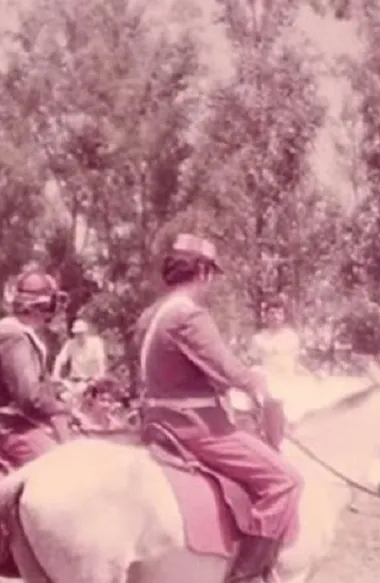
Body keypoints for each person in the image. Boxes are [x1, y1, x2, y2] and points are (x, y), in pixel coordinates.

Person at [135, 233, 300, 583]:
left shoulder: (152, 314)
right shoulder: (189, 315)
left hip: (157, 419)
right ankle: (245, 576)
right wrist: (257, 383)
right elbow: (227, 369)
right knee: (284, 480)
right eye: (211, 275)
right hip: (196, 426)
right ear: (204, 273)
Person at [0, 269, 72, 467]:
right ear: (41, 305)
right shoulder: (12, 334)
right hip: (6, 425)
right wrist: (61, 409)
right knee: (64, 465)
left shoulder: (23, 334)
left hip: (16, 421)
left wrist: (57, 390)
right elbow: (29, 396)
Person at [250, 295, 304, 385]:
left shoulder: (292, 337)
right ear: (266, 316)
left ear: (283, 317)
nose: (276, 317)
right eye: (272, 313)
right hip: (268, 385)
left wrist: (312, 375)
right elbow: (254, 366)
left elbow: (296, 364)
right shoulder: (258, 339)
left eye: (279, 313)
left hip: (289, 382)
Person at [52, 318, 108, 395]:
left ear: (86, 332)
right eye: (77, 333)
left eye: (81, 333)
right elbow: (60, 359)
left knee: (86, 394)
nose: (79, 336)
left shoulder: (95, 343)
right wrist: (55, 374)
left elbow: (100, 361)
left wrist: (100, 375)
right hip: (73, 381)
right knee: (58, 394)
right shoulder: (70, 344)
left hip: (89, 381)